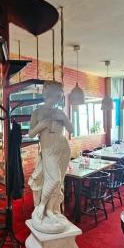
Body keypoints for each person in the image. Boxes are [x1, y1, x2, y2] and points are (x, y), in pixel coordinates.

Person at [27, 81, 73, 233]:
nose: (57, 99)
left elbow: (71, 129)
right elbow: (31, 134)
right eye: (55, 96)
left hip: (63, 148)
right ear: (48, 95)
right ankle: (41, 206)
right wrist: (42, 125)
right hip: (48, 150)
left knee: (59, 182)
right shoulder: (37, 112)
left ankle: (50, 209)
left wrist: (65, 119)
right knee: (54, 179)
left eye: (59, 97)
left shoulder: (60, 112)